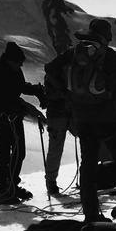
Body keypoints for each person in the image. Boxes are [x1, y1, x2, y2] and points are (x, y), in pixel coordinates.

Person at [46, 18, 116, 223]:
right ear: (107, 37)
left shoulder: (72, 53)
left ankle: (91, 215)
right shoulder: (113, 58)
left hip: (82, 120)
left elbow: (50, 68)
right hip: (109, 121)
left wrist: (67, 94)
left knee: (88, 165)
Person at [0, 42, 46, 205]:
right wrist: (6, 110)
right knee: (5, 151)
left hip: (13, 115)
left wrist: (35, 90)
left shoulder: (13, 69)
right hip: (1, 117)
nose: (20, 65)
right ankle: (3, 189)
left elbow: (20, 86)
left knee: (18, 152)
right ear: (11, 60)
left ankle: (11, 186)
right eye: (19, 62)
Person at [41, 64, 75, 195]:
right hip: (69, 114)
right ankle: (94, 177)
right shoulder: (70, 70)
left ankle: (51, 182)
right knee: (89, 143)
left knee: (55, 150)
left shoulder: (52, 72)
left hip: (56, 116)